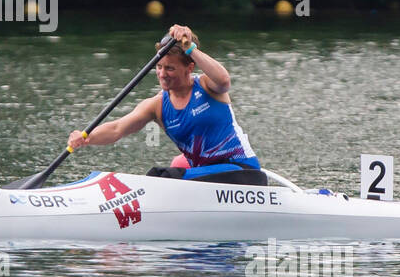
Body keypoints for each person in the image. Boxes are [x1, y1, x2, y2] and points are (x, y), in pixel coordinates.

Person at [66, 24, 266, 185]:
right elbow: (118, 128)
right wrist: (86, 137)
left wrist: (191, 49)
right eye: (159, 67)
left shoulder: (207, 85)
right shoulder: (157, 105)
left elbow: (224, 81)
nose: (162, 74)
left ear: (189, 67)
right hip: (206, 178)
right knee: (175, 166)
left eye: (169, 68)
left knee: (162, 176)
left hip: (242, 172)